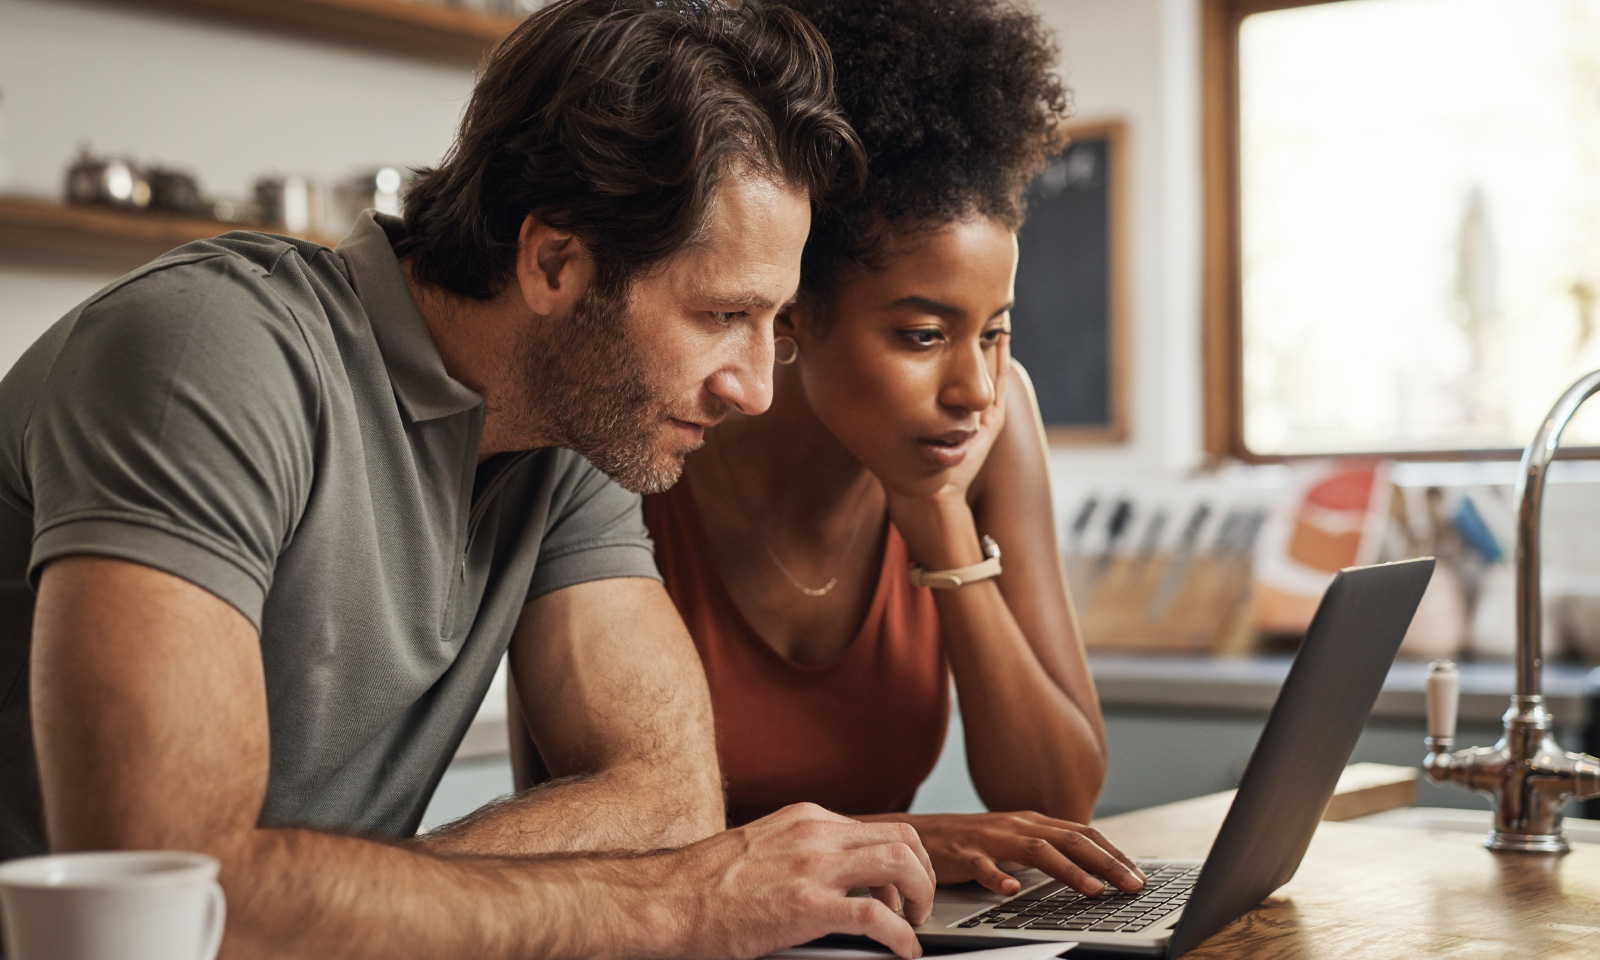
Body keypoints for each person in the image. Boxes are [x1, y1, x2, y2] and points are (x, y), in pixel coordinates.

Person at [0, 2, 941, 958]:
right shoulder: (209, 356)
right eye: (719, 313)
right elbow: (172, 898)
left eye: (769, 322)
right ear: (554, 262)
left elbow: (667, 800)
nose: (752, 389)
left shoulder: (575, 433)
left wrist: (336, 903)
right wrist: (674, 905)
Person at [630, 0, 1145, 901]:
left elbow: (1061, 798)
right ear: (793, 316)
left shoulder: (990, 424)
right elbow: (598, 840)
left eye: (995, 331)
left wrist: (939, 521)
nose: (975, 388)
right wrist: (901, 837)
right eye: (920, 335)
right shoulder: (649, 447)